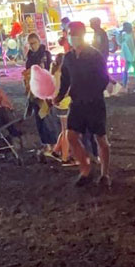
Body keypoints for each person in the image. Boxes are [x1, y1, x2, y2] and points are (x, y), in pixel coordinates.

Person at [54, 21, 111, 186]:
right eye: (70, 34)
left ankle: (105, 174)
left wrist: (93, 93)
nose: (73, 37)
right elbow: (65, 80)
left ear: (83, 34)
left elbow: (104, 78)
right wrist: (58, 97)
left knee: (101, 139)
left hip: (94, 102)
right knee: (71, 136)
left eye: (75, 34)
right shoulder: (69, 58)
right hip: (77, 103)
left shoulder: (95, 55)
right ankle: (85, 168)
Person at [23, 33, 57, 155]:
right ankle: (45, 144)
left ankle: (53, 144)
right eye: (30, 44)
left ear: (39, 41)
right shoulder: (29, 56)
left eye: (34, 43)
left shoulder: (45, 54)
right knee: (39, 119)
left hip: (46, 91)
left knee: (48, 118)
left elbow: (51, 71)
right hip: (34, 92)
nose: (32, 46)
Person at [51, 53, 75, 165]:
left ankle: (56, 150)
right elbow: (66, 90)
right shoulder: (63, 75)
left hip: (57, 104)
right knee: (66, 131)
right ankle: (65, 157)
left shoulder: (55, 73)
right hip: (64, 103)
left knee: (63, 129)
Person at [91, 17, 121, 95]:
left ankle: (106, 89)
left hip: (101, 56)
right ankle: (112, 86)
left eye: (92, 23)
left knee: (102, 73)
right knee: (103, 73)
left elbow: (99, 45)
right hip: (101, 55)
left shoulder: (99, 33)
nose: (91, 25)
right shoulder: (99, 32)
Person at [117, 22, 135, 92]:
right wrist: (120, 34)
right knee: (127, 71)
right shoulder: (125, 35)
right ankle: (125, 86)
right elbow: (119, 42)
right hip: (128, 56)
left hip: (132, 56)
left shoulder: (133, 35)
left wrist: (134, 56)